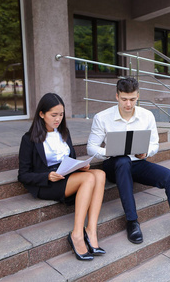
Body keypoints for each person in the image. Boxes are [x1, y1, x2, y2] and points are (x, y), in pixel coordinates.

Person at [87, 77, 170, 260]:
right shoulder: (102, 117)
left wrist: (145, 153)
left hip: (137, 163)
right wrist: (110, 152)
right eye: (124, 99)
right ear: (117, 96)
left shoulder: (147, 115)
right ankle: (132, 221)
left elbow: (154, 144)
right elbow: (91, 147)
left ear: (138, 96)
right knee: (123, 160)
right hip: (114, 164)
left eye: (132, 99)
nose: (128, 103)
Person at [18, 93, 106, 261]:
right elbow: (23, 175)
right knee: (88, 179)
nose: (58, 119)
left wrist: (80, 165)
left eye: (61, 114)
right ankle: (77, 234)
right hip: (47, 183)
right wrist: (47, 176)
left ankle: (91, 231)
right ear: (41, 114)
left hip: (66, 175)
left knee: (100, 174)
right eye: (53, 115)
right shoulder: (28, 139)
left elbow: (69, 158)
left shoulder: (64, 132)